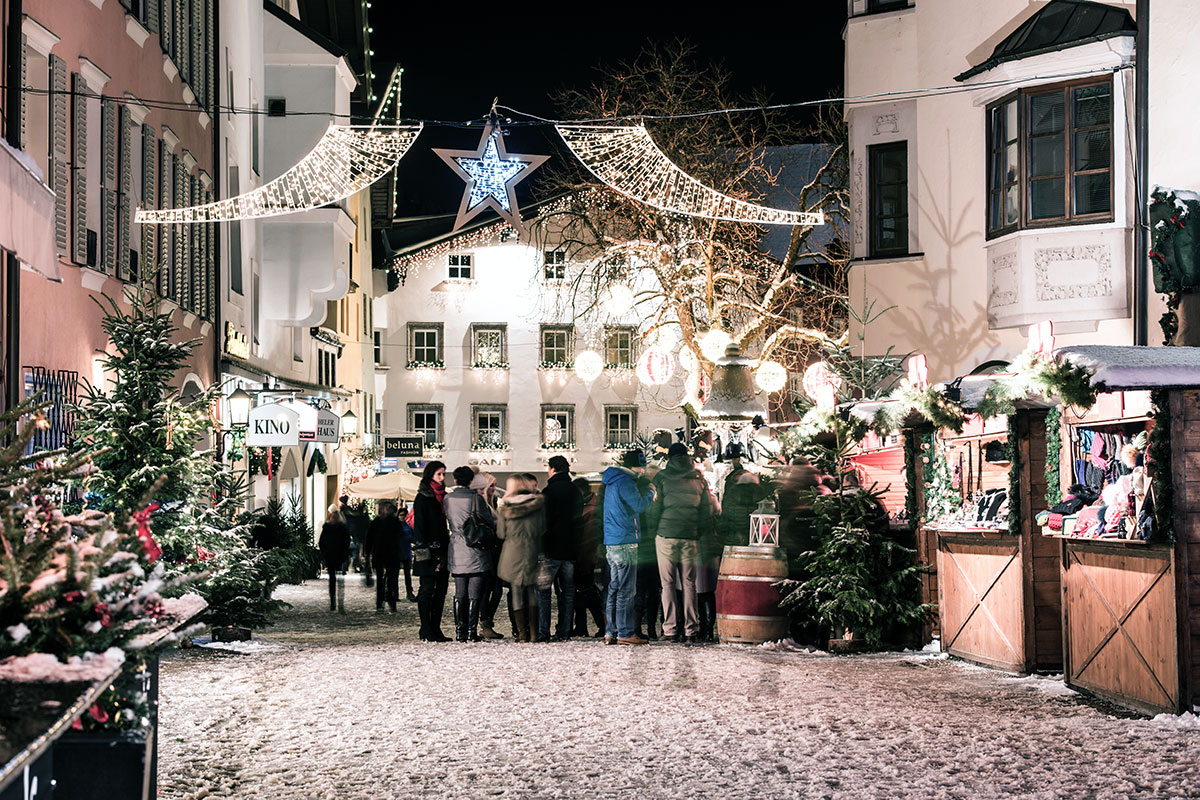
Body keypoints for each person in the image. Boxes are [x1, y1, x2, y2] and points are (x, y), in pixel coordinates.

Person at [646, 442, 718, 643]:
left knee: (667, 584)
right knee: (689, 583)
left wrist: (655, 532)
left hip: (666, 535)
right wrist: (697, 532)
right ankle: (690, 629)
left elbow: (654, 509)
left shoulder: (661, 477)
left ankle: (670, 629)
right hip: (690, 536)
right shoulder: (698, 478)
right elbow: (706, 511)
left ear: (669, 457)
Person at [601, 449, 656, 646]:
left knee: (614, 587)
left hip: (613, 540)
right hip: (625, 540)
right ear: (636, 466)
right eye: (641, 468)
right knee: (626, 590)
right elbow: (639, 505)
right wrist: (651, 492)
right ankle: (625, 632)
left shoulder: (612, 480)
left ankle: (611, 631)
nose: (642, 472)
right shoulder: (625, 481)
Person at [444, 465, 497, 642]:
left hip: (457, 547)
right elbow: (488, 521)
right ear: (470, 481)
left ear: (455, 480)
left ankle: (460, 631)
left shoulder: (448, 498)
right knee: (475, 593)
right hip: (475, 548)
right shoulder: (476, 499)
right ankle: (471, 631)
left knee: (459, 593)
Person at [496, 473, 546, 643]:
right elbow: (542, 528)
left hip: (512, 551)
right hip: (532, 550)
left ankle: (522, 633)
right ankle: (534, 633)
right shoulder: (538, 504)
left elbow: (501, 534)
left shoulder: (504, 507)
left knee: (516, 591)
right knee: (532, 590)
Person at [538, 455, 582, 642]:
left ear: (553, 468)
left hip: (551, 549)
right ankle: (564, 631)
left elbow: (543, 523)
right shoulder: (575, 491)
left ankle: (543, 631)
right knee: (568, 592)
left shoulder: (548, 492)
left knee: (544, 593)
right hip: (570, 549)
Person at [412, 461, 451, 642]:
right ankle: (426, 628)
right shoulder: (423, 497)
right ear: (430, 476)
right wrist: (425, 548)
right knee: (427, 589)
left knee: (441, 590)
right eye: (439, 474)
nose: (442, 478)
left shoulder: (442, 497)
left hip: (442, 548)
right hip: (427, 550)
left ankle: (435, 627)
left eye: (443, 474)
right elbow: (419, 525)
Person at [470, 470, 505, 639]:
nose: (494, 488)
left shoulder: (494, 502)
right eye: (491, 485)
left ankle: (487, 621)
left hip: (496, 551)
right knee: (488, 589)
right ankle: (485, 623)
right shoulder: (481, 504)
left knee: (496, 590)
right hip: (486, 551)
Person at [571, 477, 605, 638]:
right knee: (582, 591)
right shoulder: (590, 505)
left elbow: (589, 538)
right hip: (585, 554)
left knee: (587, 590)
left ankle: (601, 624)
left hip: (585, 555)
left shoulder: (590, 509)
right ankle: (582, 625)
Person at [367, 500, 406, 613]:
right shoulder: (377, 522)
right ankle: (381, 603)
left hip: (390, 555)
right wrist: (368, 551)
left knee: (391, 580)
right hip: (381, 554)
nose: (386, 510)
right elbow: (370, 538)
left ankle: (390, 602)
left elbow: (399, 538)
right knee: (382, 580)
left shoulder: (393, 522)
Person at [318, 505, 351, 613]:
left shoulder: (339, 528)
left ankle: (338, 602)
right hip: (333, 556)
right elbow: (322, 542)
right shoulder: (330, 527)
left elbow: (346, 542)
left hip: (336, 556)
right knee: (334, 579)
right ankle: (334, 601)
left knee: (338, 579)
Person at [340, 495, 370, 582]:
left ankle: (348, 568)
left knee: (351, 554)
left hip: (352, 536)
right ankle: (352, 567)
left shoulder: (344, 512)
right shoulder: (351, 514)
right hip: (356, 536)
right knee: (354, 554)